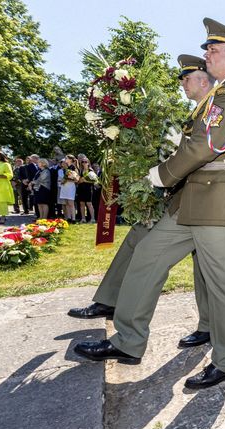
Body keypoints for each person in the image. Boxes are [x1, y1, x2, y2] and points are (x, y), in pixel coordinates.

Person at [74, 19, 225, 392]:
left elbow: (207, 145)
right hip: (192, 203)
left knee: (222, 285)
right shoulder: (219, 95)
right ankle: (127, 342)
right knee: (146, 256)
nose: (206, 53)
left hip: (219, 204)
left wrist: (162, 174)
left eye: (213, 49)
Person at [69, 54, 217, 351]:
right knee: (141, 243)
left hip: (198, 201)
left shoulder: (217, 109)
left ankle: (208, 327)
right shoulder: (191, 114)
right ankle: (116, 311)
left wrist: (160, 174)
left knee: (204, 267)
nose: (183, 84)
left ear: (203, 79)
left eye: (187, 79)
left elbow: (199, 154)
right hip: (174, 197)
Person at [59, 155, 79, 223]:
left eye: (66, 158)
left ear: (70, 159)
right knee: (66, 203)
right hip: (65, 186)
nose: (65, 159)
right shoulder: (66, 167)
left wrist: (66, 180)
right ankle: (69, 217)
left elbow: (76, 179)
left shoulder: (73, 167)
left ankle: (73, 218)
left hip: (70, 186)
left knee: (71, 203)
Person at [77, 158, 97, 223]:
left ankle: (93, 219)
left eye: (85, 162)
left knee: (89, 204)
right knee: (81, 203)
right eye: (82, 162)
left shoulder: (91, 171)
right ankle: (83, 218)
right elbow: (78, 181)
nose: (84, 163)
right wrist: (80, 181)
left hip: (88, 189)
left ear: (88, 163)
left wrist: (85, 180)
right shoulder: (80, 171)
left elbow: (94, 181)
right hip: (81, 189)